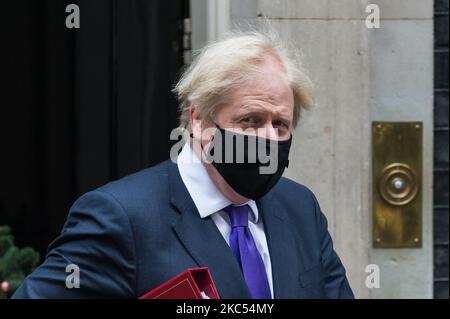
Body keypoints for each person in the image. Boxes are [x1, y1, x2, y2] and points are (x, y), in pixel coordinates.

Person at [13, 30, 354, 299]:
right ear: (199, 121)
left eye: (280, 124)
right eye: (250, 120)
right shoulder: (122, 218)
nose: (267, 139)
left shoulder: (299, 208)